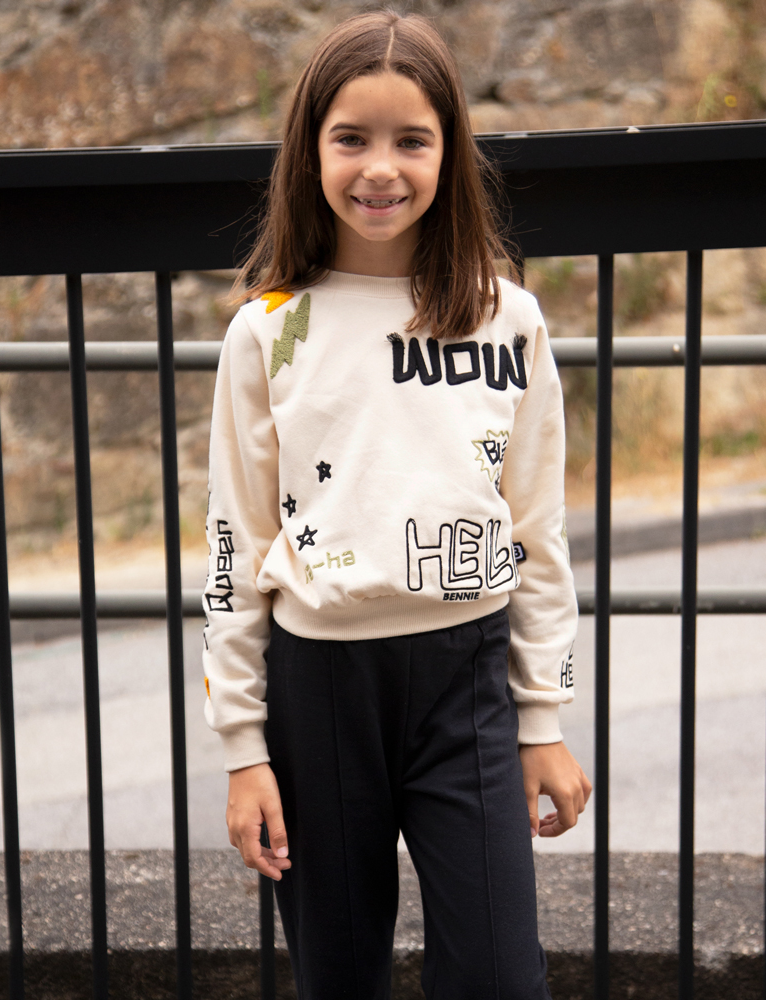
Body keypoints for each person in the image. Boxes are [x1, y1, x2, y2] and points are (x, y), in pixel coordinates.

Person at [202, 9, 592, 999]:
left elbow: (536, 531)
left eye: (411, 139)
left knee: (500, 976)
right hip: (318, 694)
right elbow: (233, 547)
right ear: (310, 151)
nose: (380, 168)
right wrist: (243, 751)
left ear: (448, 152)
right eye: (351, 138)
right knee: (339, 976)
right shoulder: (267, 333)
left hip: (468, 685)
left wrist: (541, 718)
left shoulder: (507, 319)